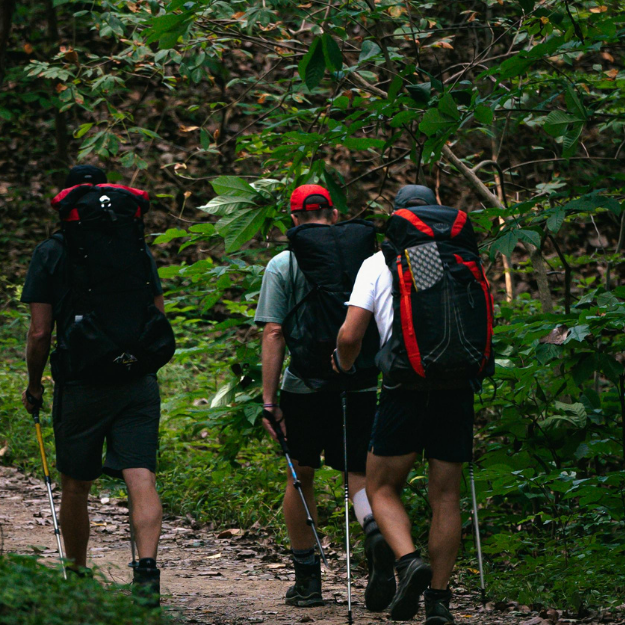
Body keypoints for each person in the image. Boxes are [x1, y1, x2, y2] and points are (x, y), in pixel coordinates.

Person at [21, 165, 171, 607]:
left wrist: (35, 385)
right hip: (136, 378)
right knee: (140, 476)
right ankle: (145, 574)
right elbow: (156, 313)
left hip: (82, 380)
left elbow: (39, 332)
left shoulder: (51, 251)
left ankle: (79, 576)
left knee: (75, 484)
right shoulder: (135, 249)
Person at [333, 185, 480, 624]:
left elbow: (350, 335)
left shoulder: (380, 261)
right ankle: (438, 601)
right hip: (456, 386)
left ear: (397, 216)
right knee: (446, 495)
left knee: (379, 486)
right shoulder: (462, 257)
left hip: (404, 386)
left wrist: (344, 365)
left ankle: (408, 561)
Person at [256, 184, 395, 611]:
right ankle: (373, 528)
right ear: (333, 214)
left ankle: (308, 582)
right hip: (358, 381)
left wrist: (269, 400)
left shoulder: (283, 263)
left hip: (305, 386)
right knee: (359, 472)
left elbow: (274, 332)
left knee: (301, 475)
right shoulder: (368, 261)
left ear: (294, 219)